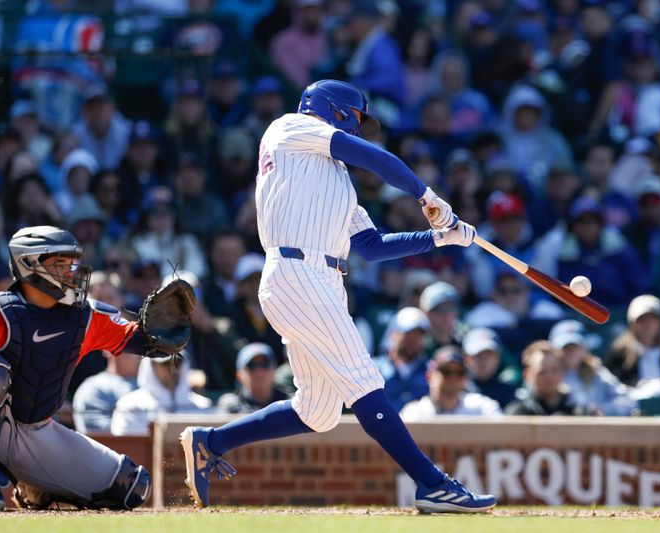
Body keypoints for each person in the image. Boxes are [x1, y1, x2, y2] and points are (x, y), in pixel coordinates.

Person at [179, 79, 495, 513]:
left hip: (318, 278)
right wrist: (426, 194)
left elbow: (372, 246)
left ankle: (211, 442)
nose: (359, 127)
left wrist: (439, 238)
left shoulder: (334, 180)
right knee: (365, 382)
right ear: (336, 109)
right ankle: (431, 483)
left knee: (318, 411)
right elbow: (375, 158)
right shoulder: (290, 127)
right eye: (357, 117)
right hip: (297, 272)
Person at [0, 226, 184, 511]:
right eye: (59, 264)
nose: (70, 272)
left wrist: (164, 333)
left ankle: (37, 486)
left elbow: (144, 340)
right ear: (28, 264)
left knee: (130, 487)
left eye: (71, 264)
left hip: (38, 430)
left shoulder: (85, 317)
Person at [606, 295, 660, 399]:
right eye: (642, 320)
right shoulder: (619, 357)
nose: (648, 324)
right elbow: (611, 391)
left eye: (653, 319)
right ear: (633, 324)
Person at [550, 319, 637, 416]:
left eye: (575, 346)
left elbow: (628, 401)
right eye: (565, 347)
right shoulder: (546, 375)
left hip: (596, 429)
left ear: (584, 347)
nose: (571, 351)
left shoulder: (597, 372)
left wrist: (600, 410)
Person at [110, 355, 212, 436]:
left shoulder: (203, 405)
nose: (173, 369)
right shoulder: (129, 405)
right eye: (165, 363)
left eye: (177, 363)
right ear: (151, 366)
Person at [400, 346, 501, 421]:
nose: (453, 377)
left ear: (466, 378)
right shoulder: (414, 413)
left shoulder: (481, 408)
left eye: (459, 373)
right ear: (430, 375)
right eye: (446, 371)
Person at [505, 341, 591, 416]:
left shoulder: (579, 412)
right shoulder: (518, 413)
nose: (549, 377)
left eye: (555, 370)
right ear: (527, 375)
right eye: (542, 372)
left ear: (563, 372)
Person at [373, 307, 432, 413]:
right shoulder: (374, 369)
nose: (413, 340)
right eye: (408, 334)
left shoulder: (431, 371)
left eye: (418, 336)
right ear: (393, 334)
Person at [73, 351, 141, 434]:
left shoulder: (154, 385)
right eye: (126, 343)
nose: (135, 350)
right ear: (107, 349)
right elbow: (97, 434)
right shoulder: (94, 388)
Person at [218, 343, 290, 414]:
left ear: (275, 371)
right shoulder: (231, 406)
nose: (259, 372)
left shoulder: (290, 403)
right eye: (251, 366)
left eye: (265, 365)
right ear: (239, 375)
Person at [461, 327, 519, 409]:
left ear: (498, 358)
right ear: (466, 358)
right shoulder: (458, 389)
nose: (484, 361)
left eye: (489, 355)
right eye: (478, 355)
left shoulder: (508, 392)